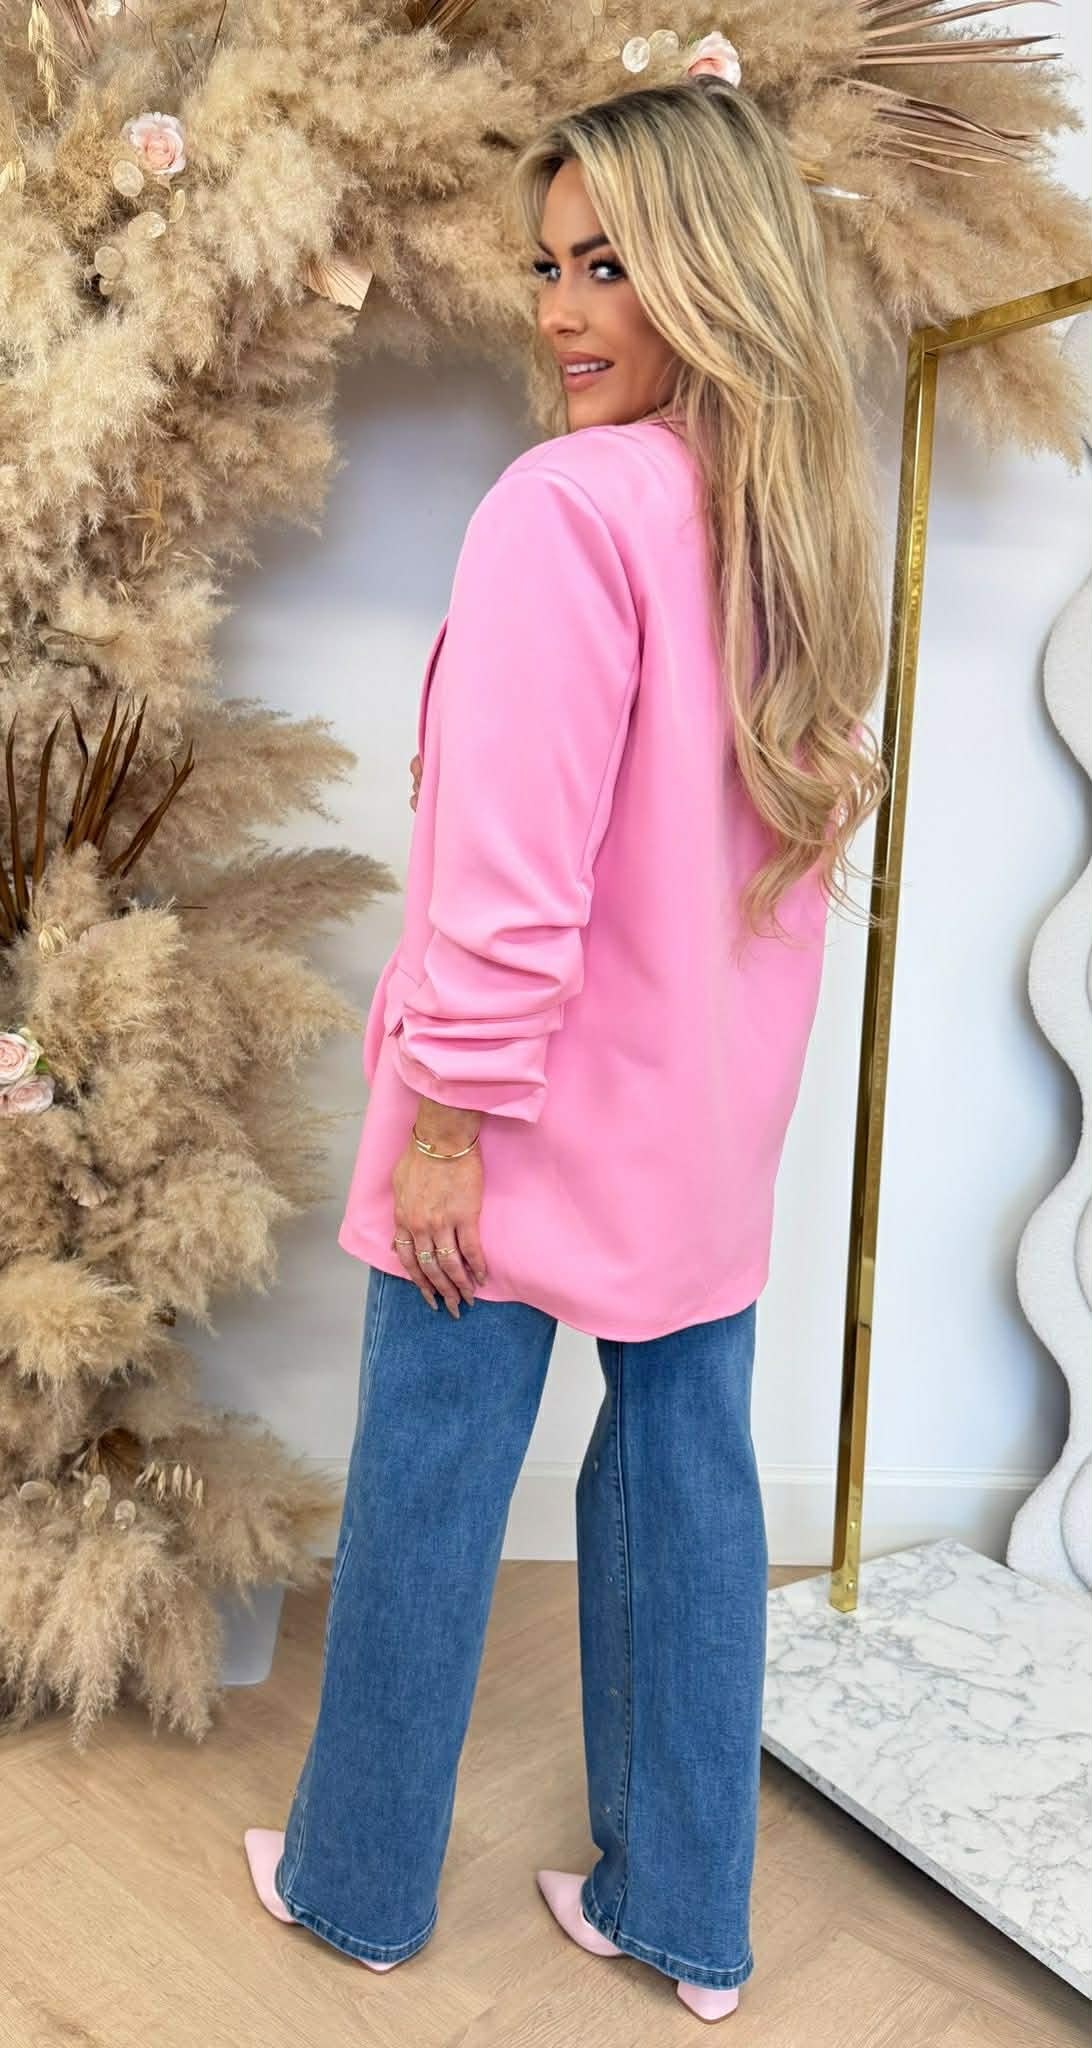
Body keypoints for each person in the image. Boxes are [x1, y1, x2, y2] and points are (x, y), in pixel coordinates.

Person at [244, 55, 888, 2026]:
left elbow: (511, 870)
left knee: (432, 1480)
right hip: (700, 1133)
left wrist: (446, 1116)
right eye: (550, 264)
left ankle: (359, 1884)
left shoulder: (566, 511)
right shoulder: (798, 529)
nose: (560, 311)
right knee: (691, 1489)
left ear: (711, 266)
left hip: (515, 1117)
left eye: (609, 264)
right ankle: (683, 1911)